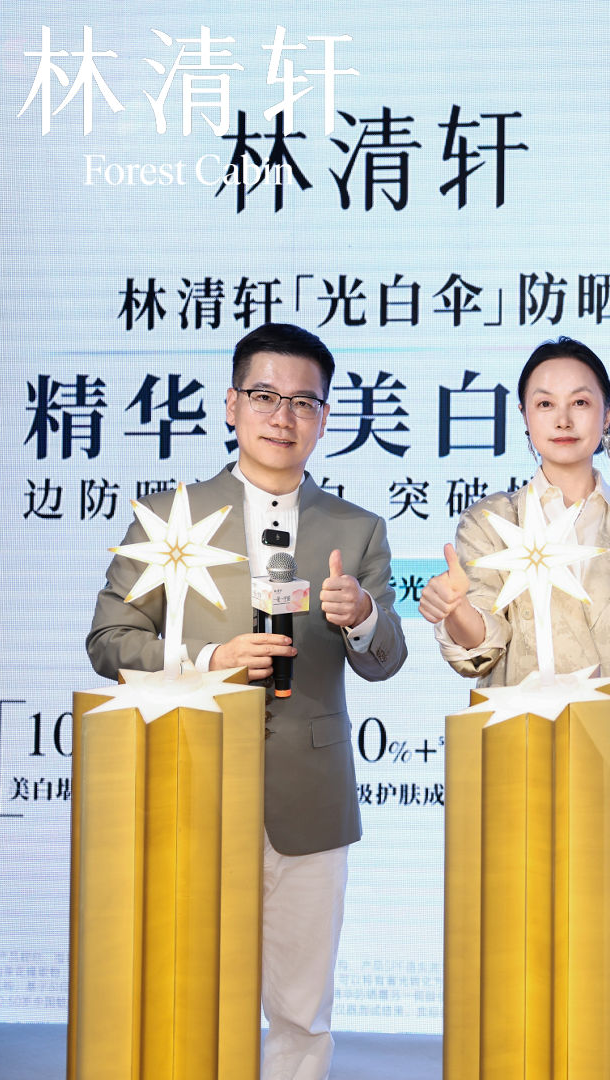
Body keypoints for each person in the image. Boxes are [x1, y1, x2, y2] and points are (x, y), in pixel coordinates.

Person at [88, 323, 408, 1080]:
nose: (282, 416)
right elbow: (109, 640)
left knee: (301, 1008)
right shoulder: (170, 517)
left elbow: (386, 660)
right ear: (230, 405)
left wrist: (363, 615)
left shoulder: (357, 529)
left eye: (303, 402)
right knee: (188, 993)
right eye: (264, 396)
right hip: (192, 783)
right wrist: (210, 661)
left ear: (325, 417)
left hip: (311, 795)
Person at [419, 336, 610, 888]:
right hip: (519, 758)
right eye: (545, 403)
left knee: (605, 939)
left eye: (581, 401)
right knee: (512, 937)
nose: (563, 419)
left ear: (608, 412)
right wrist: (454, 612)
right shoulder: (490, 522)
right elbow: (484, 642)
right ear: (524, 416)